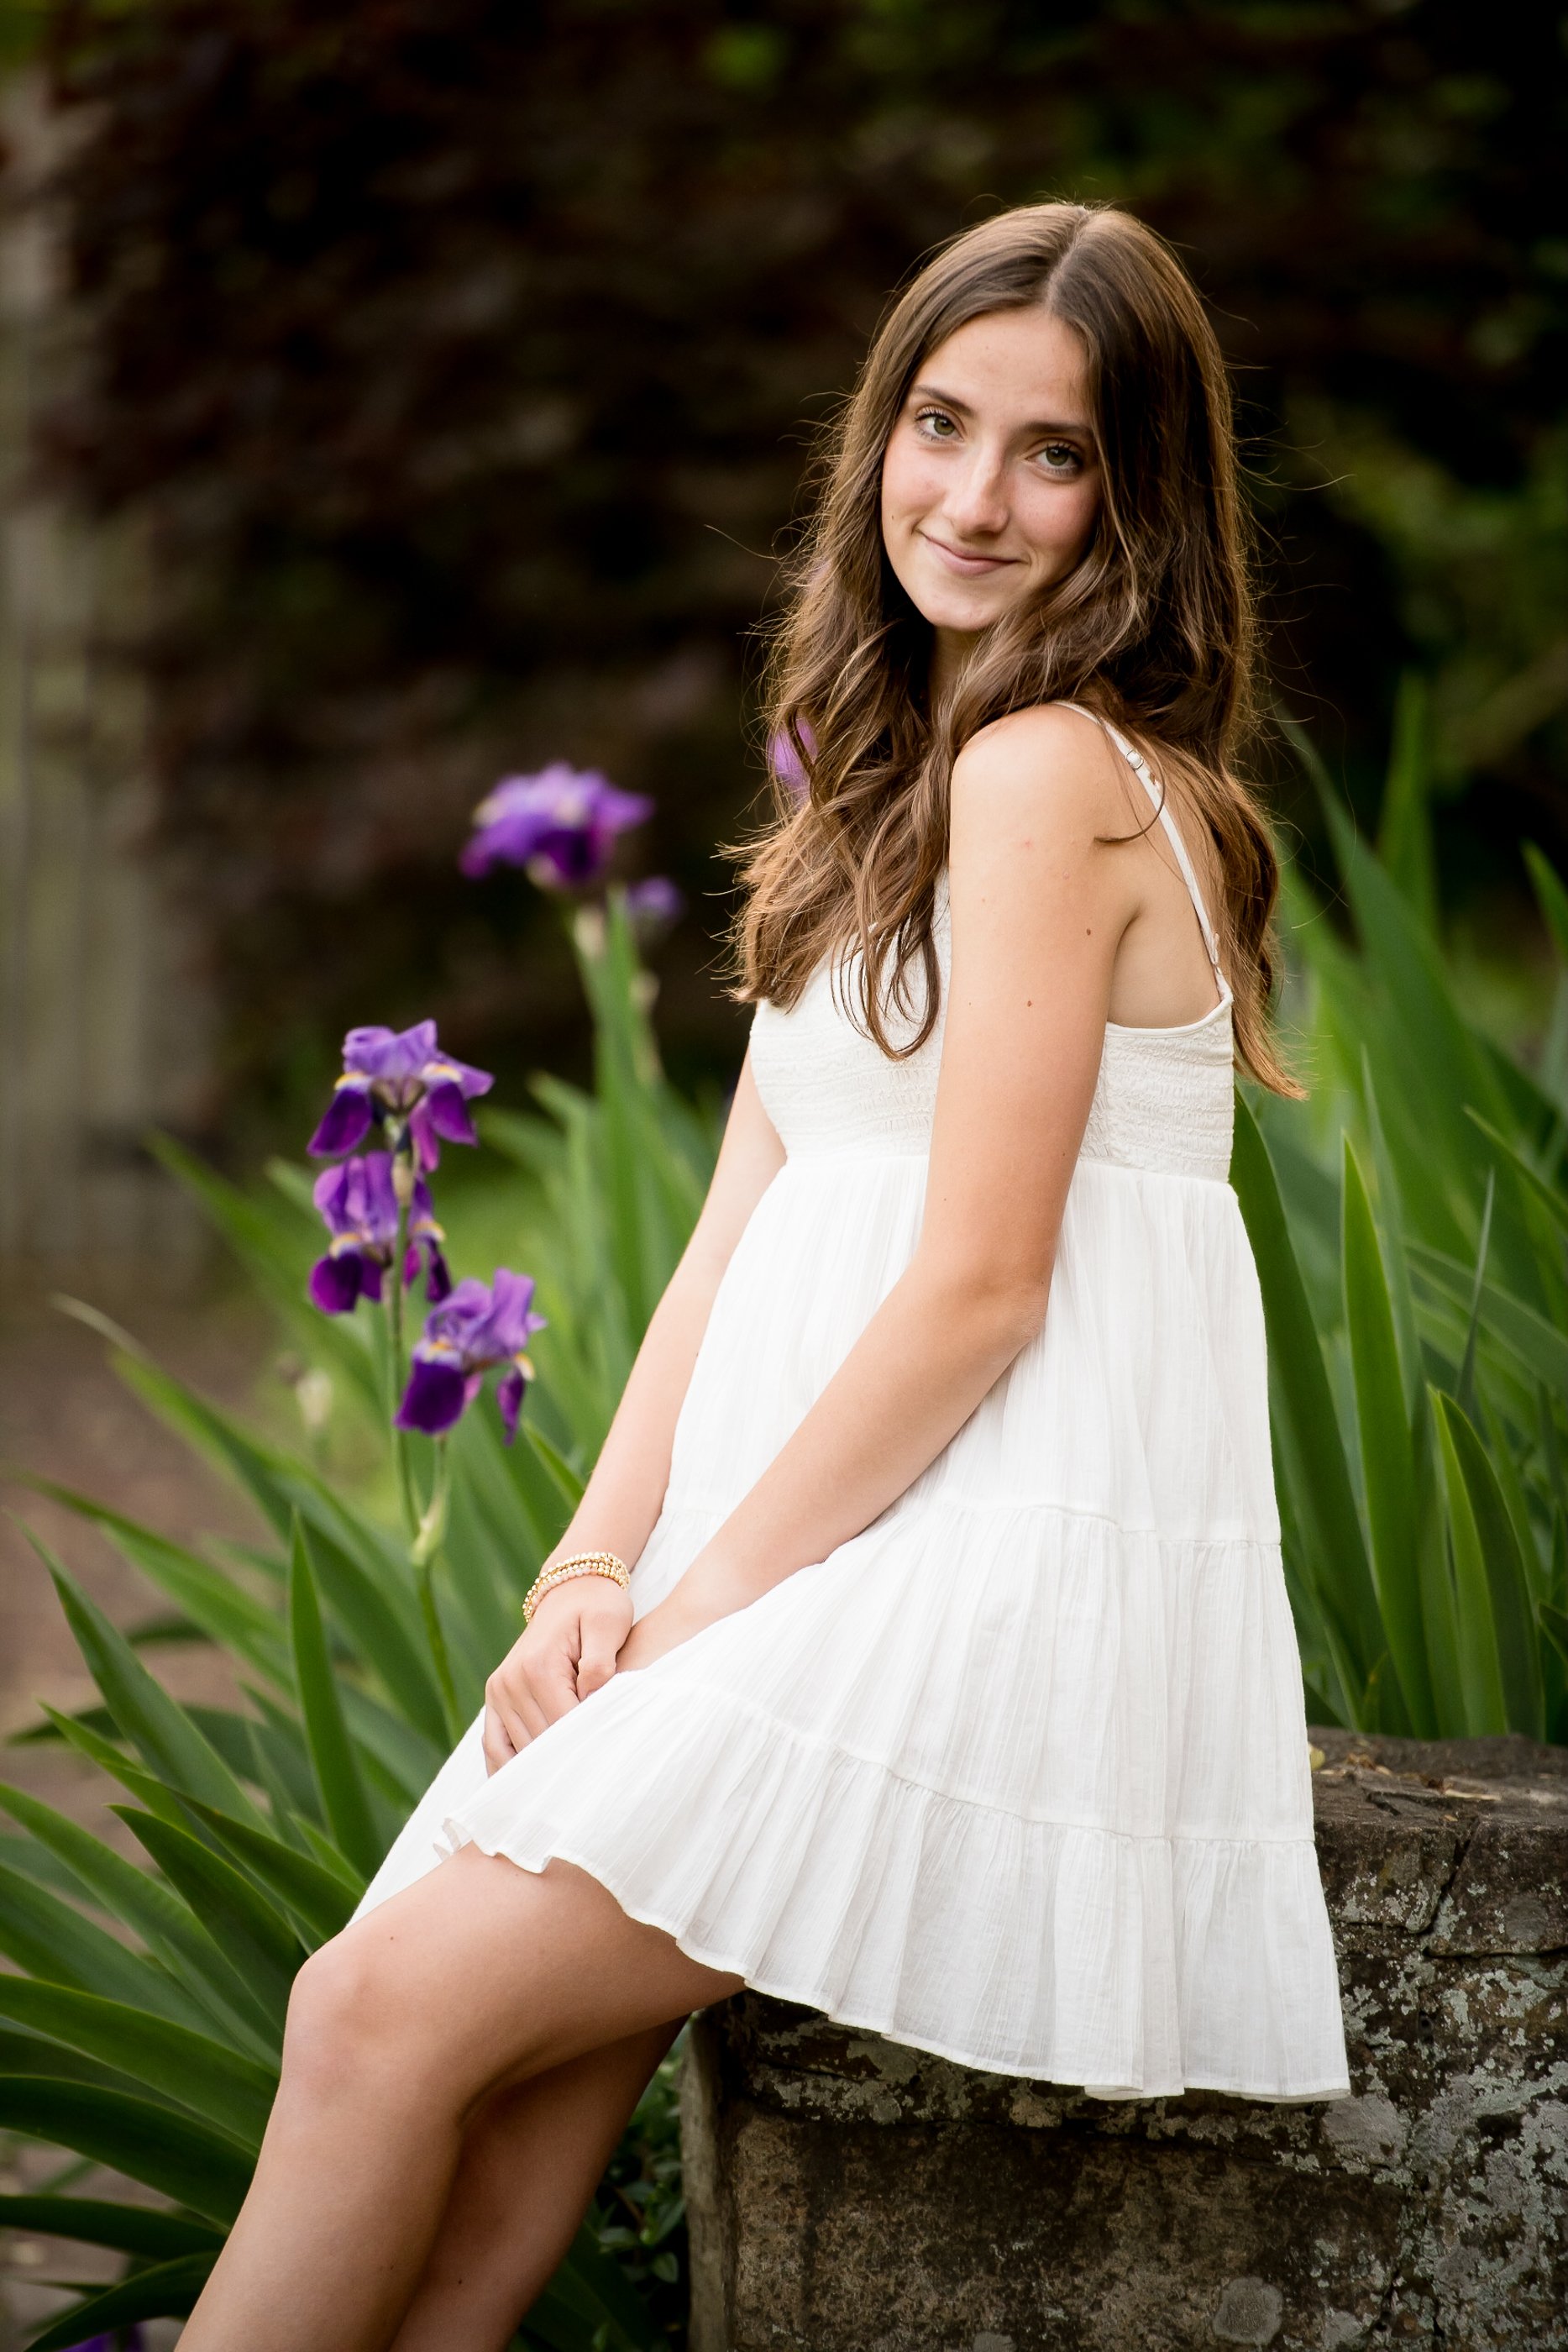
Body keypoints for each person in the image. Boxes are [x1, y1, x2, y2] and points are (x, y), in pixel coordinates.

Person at [182, 199, 1350, 2352]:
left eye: (1055, 451)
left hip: (974, 1580)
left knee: (366, 2015)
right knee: (485, 2153)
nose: (973, 497)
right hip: (808, 1558)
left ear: (1146, 497)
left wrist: (692, 1623)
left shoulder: (1051, 776)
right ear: (873, 435)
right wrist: (581, 1574)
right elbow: (740, 1230)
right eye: (937, 422)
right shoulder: (895, 789)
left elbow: (988, 1285)